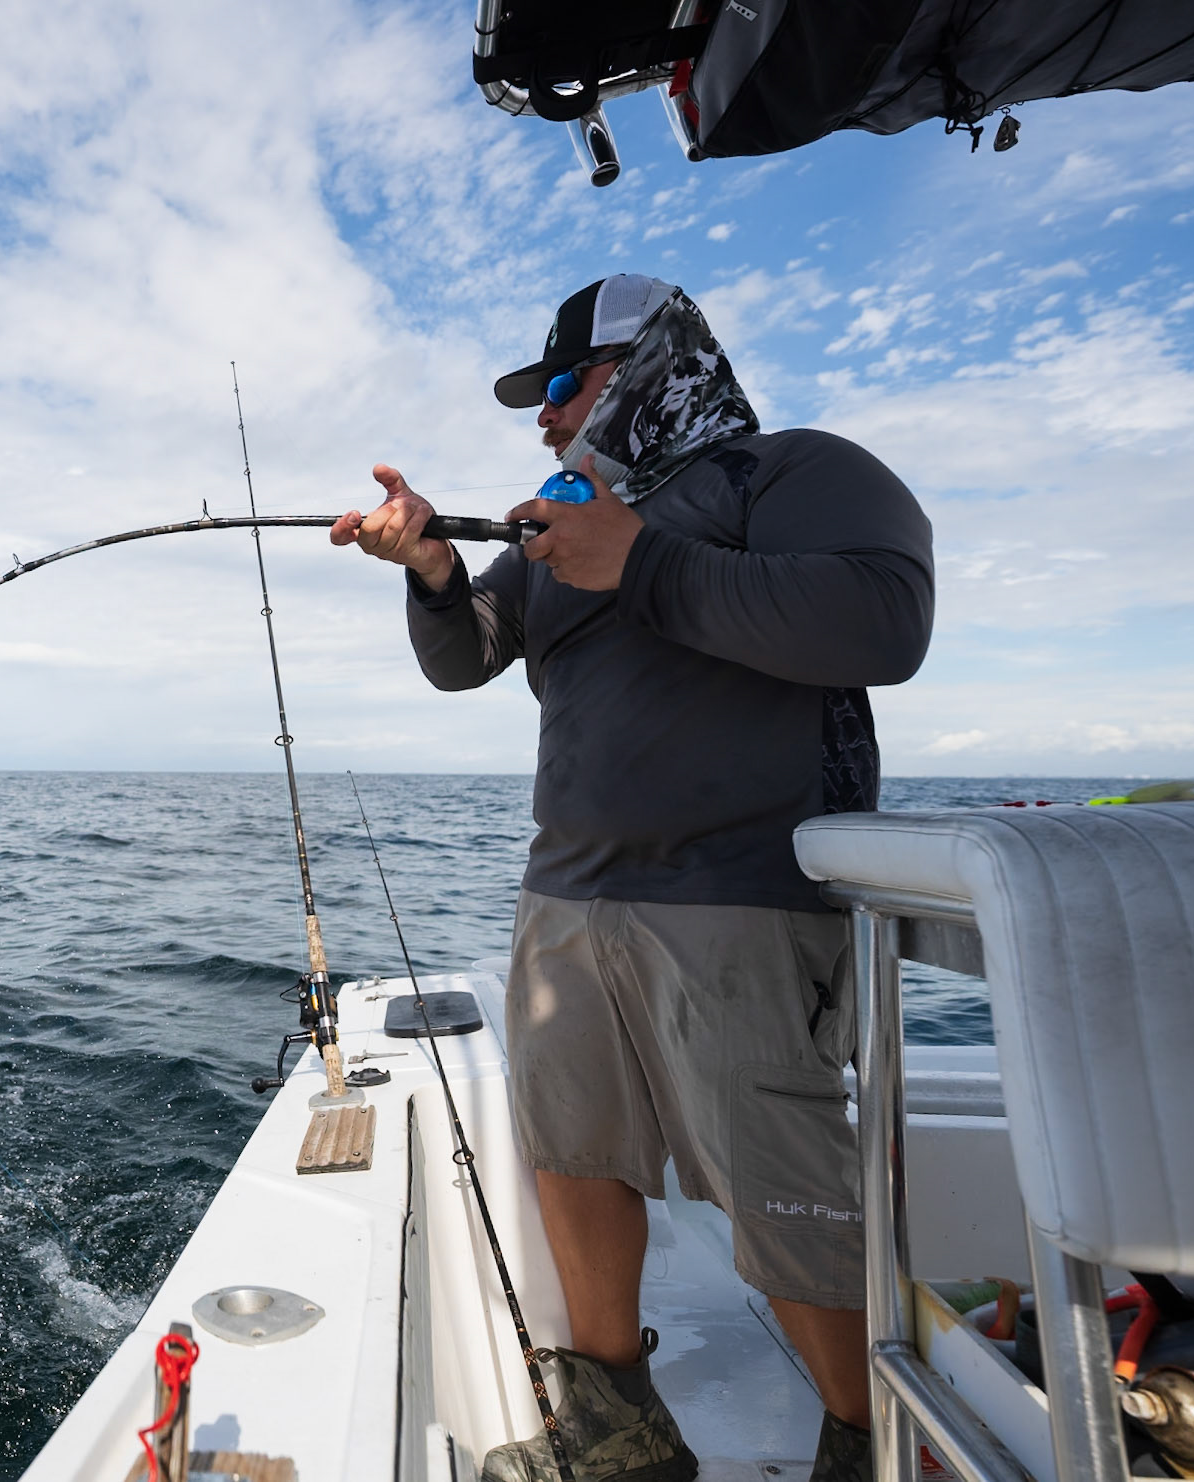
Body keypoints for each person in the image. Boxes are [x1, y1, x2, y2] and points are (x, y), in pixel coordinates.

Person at [330, 275, 934, 1482]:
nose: (546, 418)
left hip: (742, 900)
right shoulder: (557, 528)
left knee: (778, 1184)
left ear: (652, 362)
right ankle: (617, 1424)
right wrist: (437, 574)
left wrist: (644, 560)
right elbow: (468, 657)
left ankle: (873, 1441)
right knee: (574, 1150)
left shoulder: (793, 471)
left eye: (563, 387)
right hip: (565, 899)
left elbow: (886, 621)